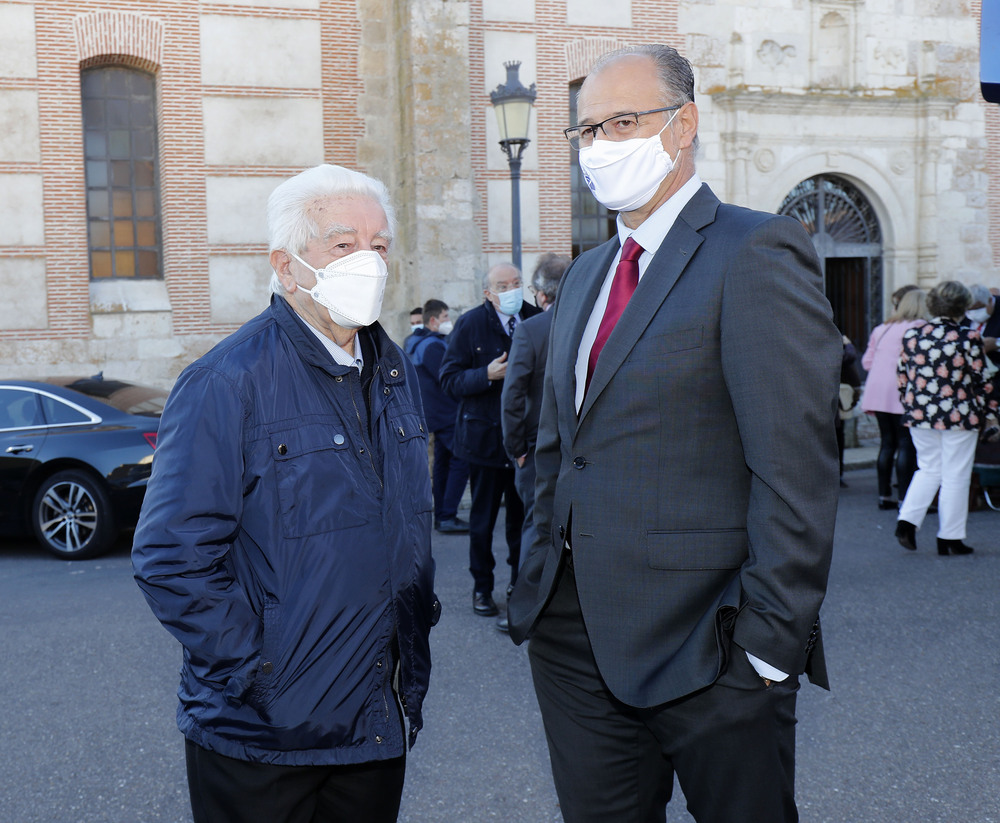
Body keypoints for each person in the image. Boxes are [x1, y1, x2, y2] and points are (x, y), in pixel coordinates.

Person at [507, 44, 841, 823]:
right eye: (586, 130)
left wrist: (766, 648)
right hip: (573, 636)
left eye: (622, 122)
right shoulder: (588, 273)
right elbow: (561, 446)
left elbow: (795, 468)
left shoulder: (753, 250)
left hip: (709, 644)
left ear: (683, 124)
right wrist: (538, 575)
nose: (600, 146)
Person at [131, 164, 439, 823]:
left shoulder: (396, 372)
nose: (369, 261)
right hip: (260, 740)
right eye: (342, 243)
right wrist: (264, 669)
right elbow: (169, 555)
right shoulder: (225, 380)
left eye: (379, 245)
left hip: (374, 725)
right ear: (288, 264)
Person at [439, 262, 541, 620]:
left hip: (525, 443)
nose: (511, 289)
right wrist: (486, 374)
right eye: (503, 285)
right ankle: (482, 589)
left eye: (516, 283)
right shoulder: (470, 325)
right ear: (488, 292)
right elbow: (449, 380)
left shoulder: (534, 318)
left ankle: (519, 587)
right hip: (482, 442)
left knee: (521, 522)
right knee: (482, 523)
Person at [895, 280, 998, 555]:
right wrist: (991, 416)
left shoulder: (912, 335)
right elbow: (980, 382)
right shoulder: (968, 338)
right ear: (963, 307)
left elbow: (903, 377)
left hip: (920, 412)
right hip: (959, 414)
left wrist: (910, 404)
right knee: (956, 475)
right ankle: (950, 538)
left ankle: (906, 521)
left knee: (928, 467)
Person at [498, 253, 571, 632]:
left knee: (536, 528)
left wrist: (517, 449)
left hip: (538, 451)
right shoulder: (595, 322)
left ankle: (528, 611)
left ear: (541, 294)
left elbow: (512, 397)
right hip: (585, 449)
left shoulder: (531, 330)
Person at [406, 299, 470, 533]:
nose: (447, 321)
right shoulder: (432, 345)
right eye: (445, 317)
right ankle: (447, 515)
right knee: (461, 461)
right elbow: (448, 378)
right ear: (433, 321)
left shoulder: (415, 342)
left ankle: (442, 514)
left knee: (443, 463)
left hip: (434, 414)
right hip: (446, 413)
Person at [861, 288, 928, 509]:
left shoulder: (882, 328)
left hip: (878, 391)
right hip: (902, 390)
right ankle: (905, 499)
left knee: (887, 443)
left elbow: (867, 363)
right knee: (906, 444)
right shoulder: (919, 327)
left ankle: (884, 495)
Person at [836, 334, 862, 487]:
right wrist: (848, 344)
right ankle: (835, 474)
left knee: (839, 435)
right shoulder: (836, 339)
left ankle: (838, 473)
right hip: (831, 395)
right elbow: (849, 357)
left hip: (839, 395)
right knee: (835, 436)